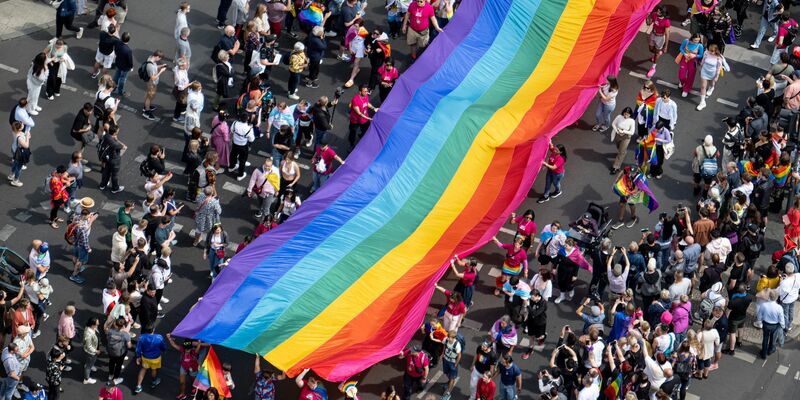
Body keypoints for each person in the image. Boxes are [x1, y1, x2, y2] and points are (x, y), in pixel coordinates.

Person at [133, 325, 166, 394]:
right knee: (154, 369)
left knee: (143, 369)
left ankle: (138, 386)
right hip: (156, 358)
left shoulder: (142, 337)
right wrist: (163, 350)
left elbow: (138, 348)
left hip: (145, 357)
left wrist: (138, 357)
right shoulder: (159, 337)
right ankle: (154, 381)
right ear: (153, 329)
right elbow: (163, 346)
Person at [696, 44, 729, 111]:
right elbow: (703, 61)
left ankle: (711, 88)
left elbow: (718, 68)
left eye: (712, 51)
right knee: (703, 86)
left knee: (712, 84)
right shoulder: (706, 53)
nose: (710, 52)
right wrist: (700, 69)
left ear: (716, 51)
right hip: (704, 72)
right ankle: (702, 102)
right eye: (710, 50)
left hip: (712, 74)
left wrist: (716, 76)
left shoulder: (719, 58)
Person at [98, 125, 127, 193]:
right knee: (114, 175)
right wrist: (117, 140)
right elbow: (124, 147)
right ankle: (115, 188)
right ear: (115, 133)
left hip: (107, 158)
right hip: (114, 160)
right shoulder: (114, 144)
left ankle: (102, 185)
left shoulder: (106, 136)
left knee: (106, 172)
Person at [140, 50, 167, 121]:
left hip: (151, 83)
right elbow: (153, 78)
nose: (159, 60)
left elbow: (155, 67)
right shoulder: (150, 66)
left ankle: (146, 106)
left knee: (149, 95)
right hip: (151, 83)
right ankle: (146, 112)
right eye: (160, 58)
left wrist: (161, 66)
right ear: (157, 56)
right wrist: (161, 71)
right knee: (150, 96)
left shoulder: (151, 59)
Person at [677, 33, 704, 98]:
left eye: (698, 40)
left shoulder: (700, 45)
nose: (697, 42)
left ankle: (686, 89)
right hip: (685, 59)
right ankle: (682, 82)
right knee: (681, 75)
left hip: (693, 61)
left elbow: (701, 55)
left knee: (691, 76)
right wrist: (684, 54)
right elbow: (681, 48)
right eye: (695, 40)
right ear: (692, 38)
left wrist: (695, 55)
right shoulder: (686, 41)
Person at [610, 107, 635, 174]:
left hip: (626, 137)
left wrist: (624, 131)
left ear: (630, 114)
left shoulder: (632, 121)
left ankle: (616, 167)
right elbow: (613, 124)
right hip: (618, 135)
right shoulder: (619, 117)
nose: (626, 115)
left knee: (621, 152)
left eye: (628, 114)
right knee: (618, 146)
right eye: (625, 114)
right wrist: (617, 131)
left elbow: (632, 132)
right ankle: (623, 151)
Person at [8, 121, 30, 188]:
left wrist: (26, 136)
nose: (23, 124)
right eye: (22, 125)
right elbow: (26, 146)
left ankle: (11, 175)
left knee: (15, 163)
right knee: (19, 168)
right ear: (19, 129)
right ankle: (15, 181)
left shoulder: (15, 131)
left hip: (14, 150)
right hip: (19, 154)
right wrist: (27, 137)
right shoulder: (19, 137)